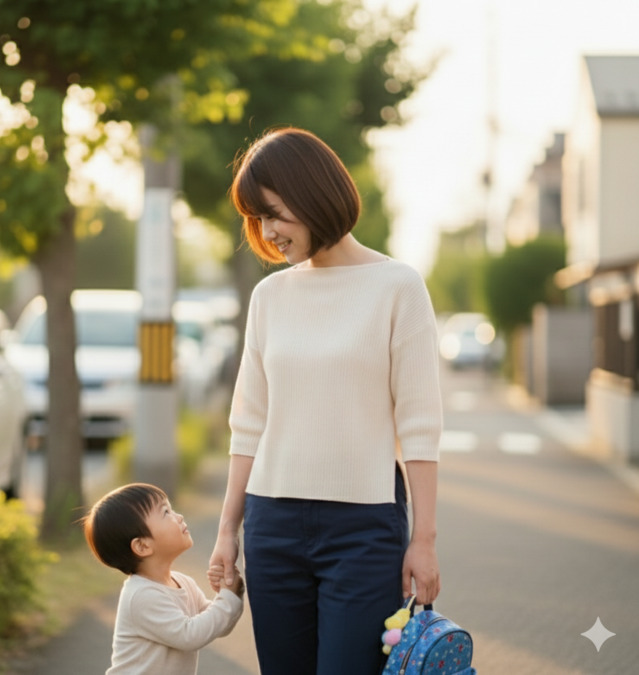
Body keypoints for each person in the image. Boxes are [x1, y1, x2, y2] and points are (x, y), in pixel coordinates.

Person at [207, 127, 443, 675]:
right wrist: (226, 534)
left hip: (364, 529)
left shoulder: (398, 286)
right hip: (271, 524)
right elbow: (248, 425)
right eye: (257, 219)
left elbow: (420, 426)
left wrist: (425, 540)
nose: (267, 232)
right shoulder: (269, 296)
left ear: (313, 194)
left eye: (273, 213)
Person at [83, 483, 245, 675]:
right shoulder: (141, 595)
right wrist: (228, 597)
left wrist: (229, 592)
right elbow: (191, 635)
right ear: (142, 546)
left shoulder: (183, 583)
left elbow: (216, 626)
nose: (179, 516)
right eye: (166, 512)